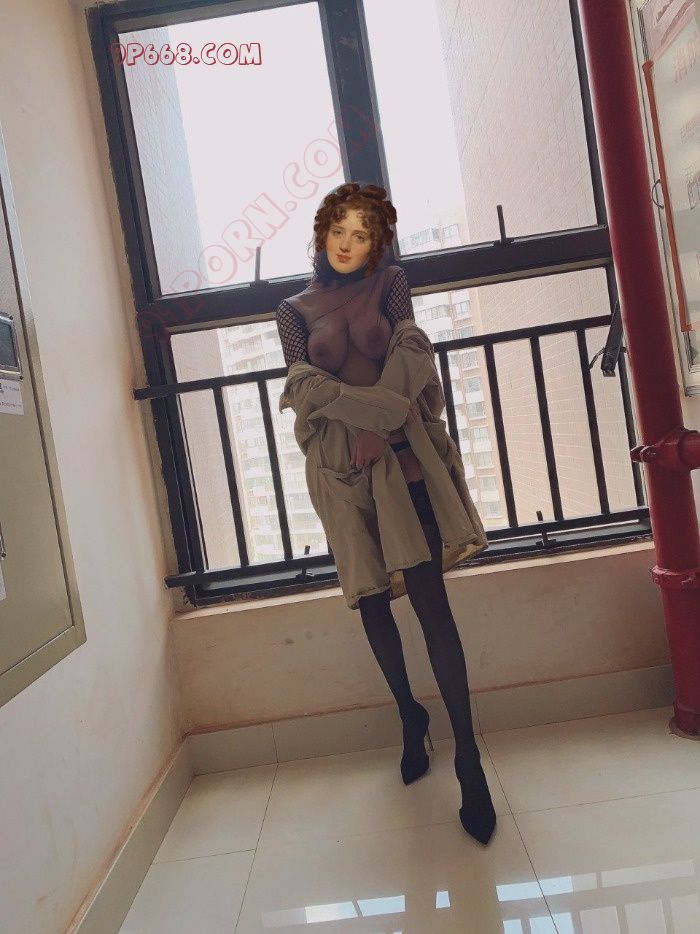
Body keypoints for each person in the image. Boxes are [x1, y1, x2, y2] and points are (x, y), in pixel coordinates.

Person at [276, 182, 496, 846]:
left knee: (432, 605)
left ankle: (469, 757)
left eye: (363, 232)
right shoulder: (291, 310)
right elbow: (305, 390)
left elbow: (412, 359)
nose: (348, 243)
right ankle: (408, 714)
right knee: (373, 602)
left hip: (403, 461)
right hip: (342, 472)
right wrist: (371, 420)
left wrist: (379, 424)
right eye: (339, 230)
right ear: (322, 234)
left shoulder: (391, 285)